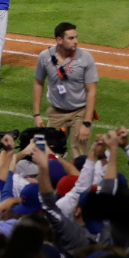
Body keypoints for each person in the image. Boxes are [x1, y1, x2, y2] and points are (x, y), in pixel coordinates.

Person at [33, 22, 98, 159]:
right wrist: (36, 114)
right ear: (59, 40)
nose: (76, 41)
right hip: (56, 113)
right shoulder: (45, 57)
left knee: (79, 155)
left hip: (79, 113)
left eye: (76, 37)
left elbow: (92, 91)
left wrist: (87, 122)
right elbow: (38, 83)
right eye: (71, 38)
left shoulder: (85, 58)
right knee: (52, 155)